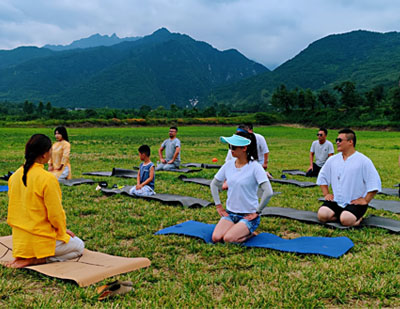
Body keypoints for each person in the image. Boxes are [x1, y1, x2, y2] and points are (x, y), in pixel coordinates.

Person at [7, 134, 84, 268]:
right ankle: (35, 260)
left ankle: (26, 256)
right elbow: (55, 214)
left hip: (20, 242)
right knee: (79, 246)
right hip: (40, 240)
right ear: (44, 155)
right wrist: (62, 232)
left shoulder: (14, 177)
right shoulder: (47, 179)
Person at [210, 132, 274, 243]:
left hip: (248, 216)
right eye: (229, 147)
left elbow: (268, 192)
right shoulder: (228, 165)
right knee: (216, 238)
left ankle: (250, 232)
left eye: (233, 147)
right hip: (230, 214)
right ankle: (238, 229)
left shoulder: (255, 167)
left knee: (229, 239)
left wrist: (257, 212)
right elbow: (214, 184)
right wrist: (218, 206)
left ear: (244, 148)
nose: (231, 150)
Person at [316, 129, 381, 227]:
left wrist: (365, 200)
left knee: (346, 220)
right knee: (322, 215)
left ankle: (357, 218)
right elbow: (322, 177)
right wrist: (326, 194)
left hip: (354, 203)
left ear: (350, 142)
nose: (337, 142)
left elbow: (374, 183)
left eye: (340, 140)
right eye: (336, 140)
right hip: (337, 201)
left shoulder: (363, 161)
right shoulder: (332, 160)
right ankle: (340, 215)